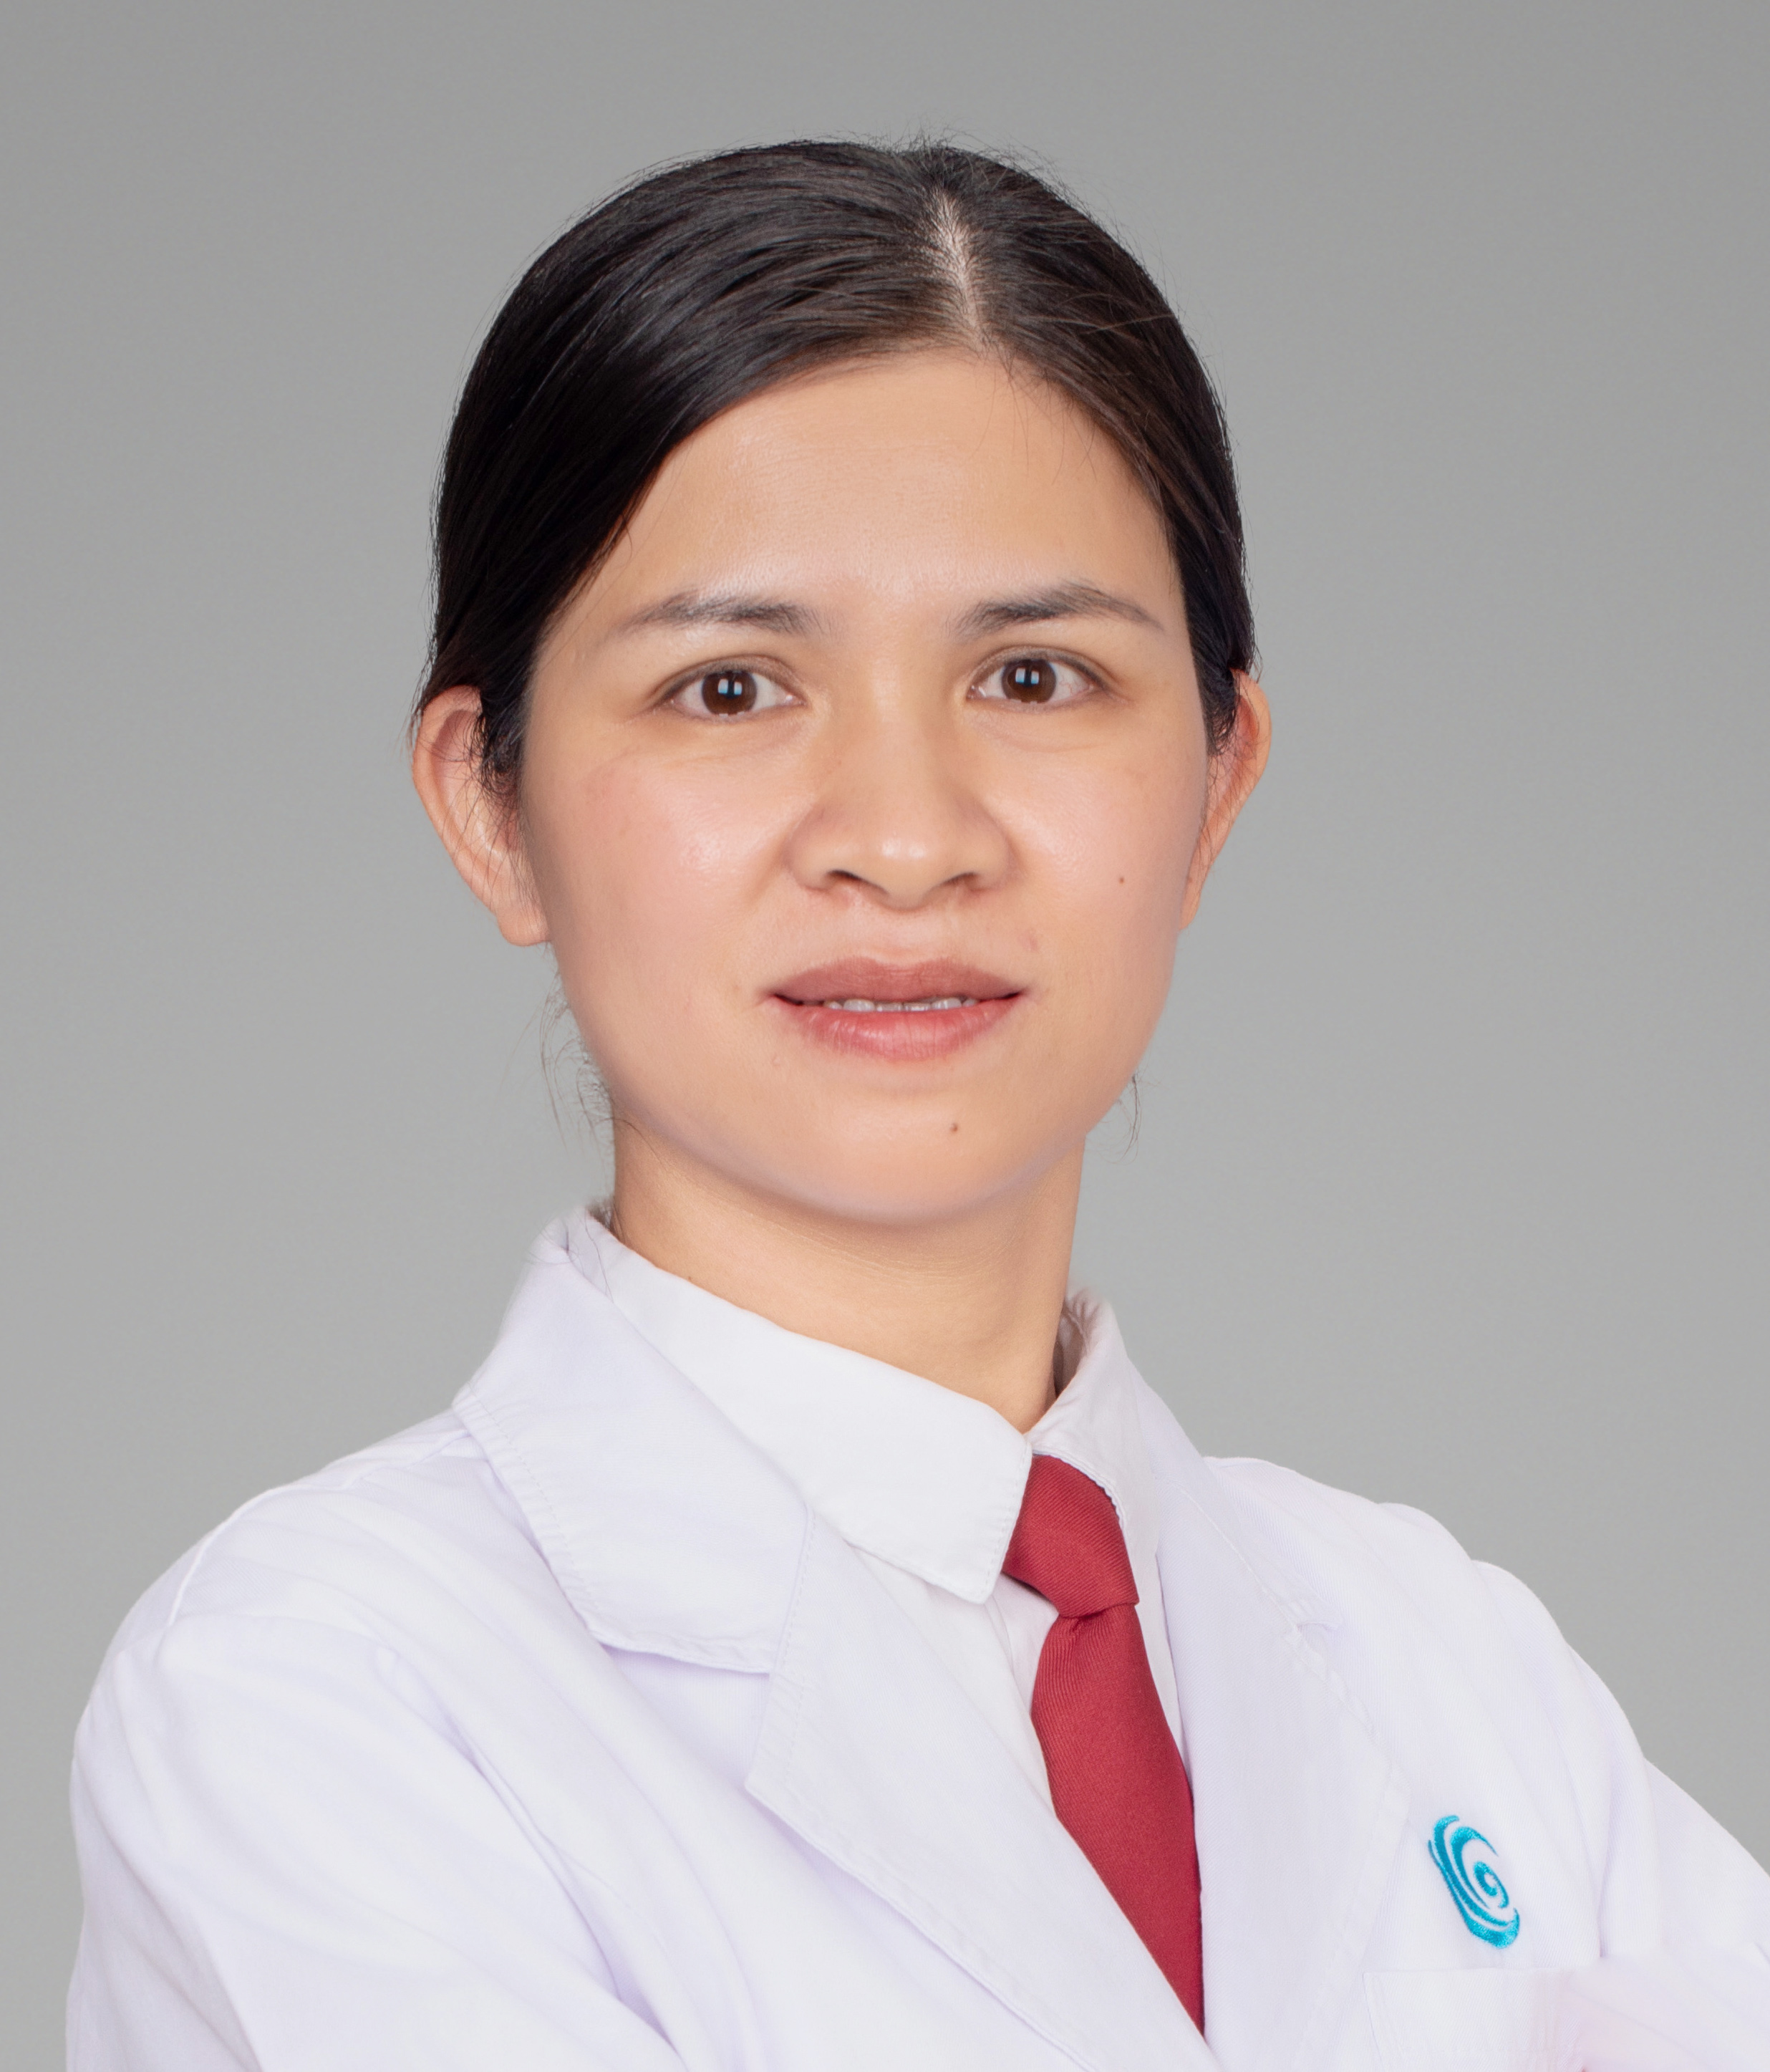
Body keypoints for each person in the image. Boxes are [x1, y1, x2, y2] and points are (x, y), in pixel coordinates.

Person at [67, 140, 1770, 2072]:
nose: (903, 837)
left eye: (1034, 677)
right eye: (730, 689)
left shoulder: (1445, 1660)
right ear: (492, 806)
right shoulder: (321, 1696)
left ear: (1217, 780)